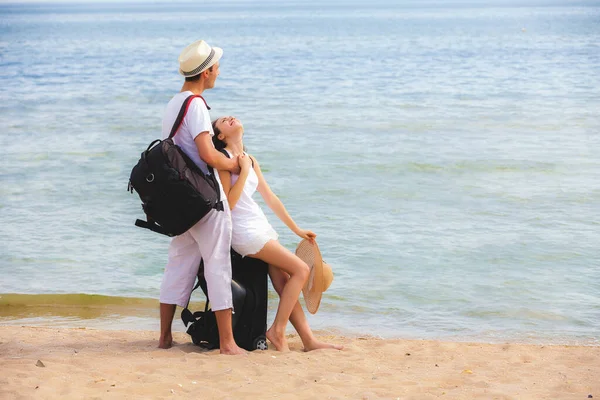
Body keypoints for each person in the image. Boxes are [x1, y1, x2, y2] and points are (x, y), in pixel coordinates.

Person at [212, 116, 343, 352]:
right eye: (223, 120)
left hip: (260, 226)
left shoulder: (251, 160)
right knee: (301, 270)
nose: (230, 118)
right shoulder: (224, 160)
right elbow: (228, 205)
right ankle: (277, 331)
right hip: (245, 231)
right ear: (220, 136)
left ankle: (308, 340)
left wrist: (297, 230)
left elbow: (271, 198)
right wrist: (242, 172)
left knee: (284, 280)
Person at [158, 40, 245, 355]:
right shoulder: (195, 105)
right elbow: (207, 154)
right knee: (218, 265)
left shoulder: (173, 103)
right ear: (207, 72)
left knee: (178, 265)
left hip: (182, 202)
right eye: (217, 67)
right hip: (204, 201)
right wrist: (234, 163)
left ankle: (165, 337)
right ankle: (228, 344)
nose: (218, 71)